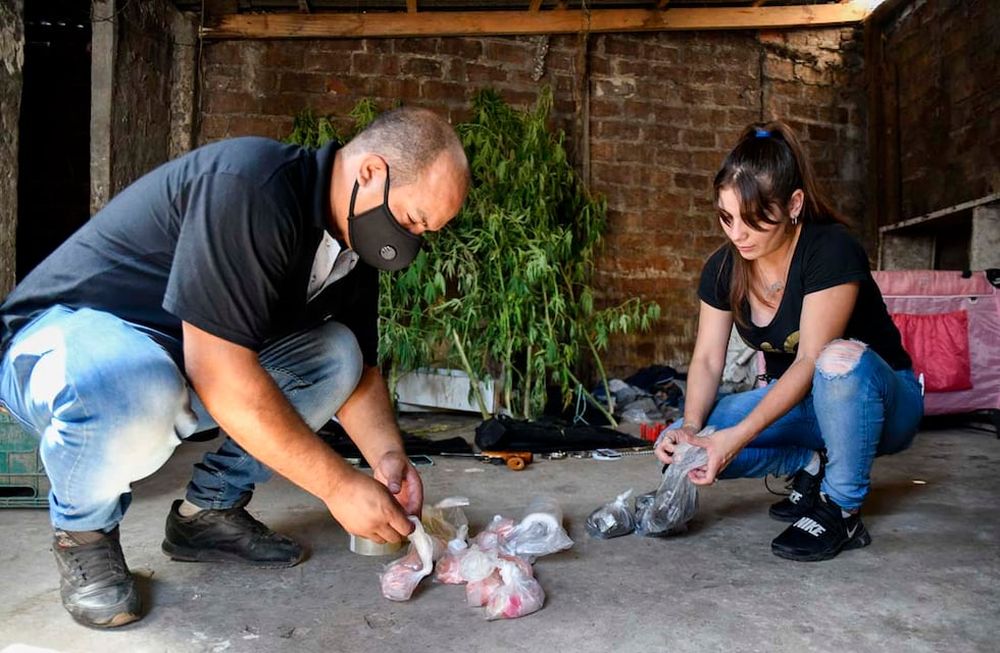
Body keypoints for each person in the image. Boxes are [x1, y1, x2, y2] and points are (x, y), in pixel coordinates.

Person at [0, 107, 470, 627]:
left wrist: (387, 459)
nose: (410, 240)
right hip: (69, 344)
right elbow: (220, 374)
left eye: (425, 230)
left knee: (337, 352)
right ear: (371, 172)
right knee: (135, 387)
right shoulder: (252, 186)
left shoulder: (349, 246)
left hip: (175, 366)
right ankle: (84, 534)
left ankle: (207, 513)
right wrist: (338, 486)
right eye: (412, 219)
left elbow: (358, 373)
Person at [654, 120, 923, 562]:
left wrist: (735, 439)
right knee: (678, 446)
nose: (737, 233)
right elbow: (706, 360)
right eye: (726, 217)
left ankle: (841, 507)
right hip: (805, 406)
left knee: (836, 360)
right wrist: (690, 426)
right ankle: (807, 463)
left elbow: (809, 360)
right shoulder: (723, 267)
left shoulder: (830, 249)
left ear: (794, 204)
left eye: (753, 219)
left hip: (881, 403)